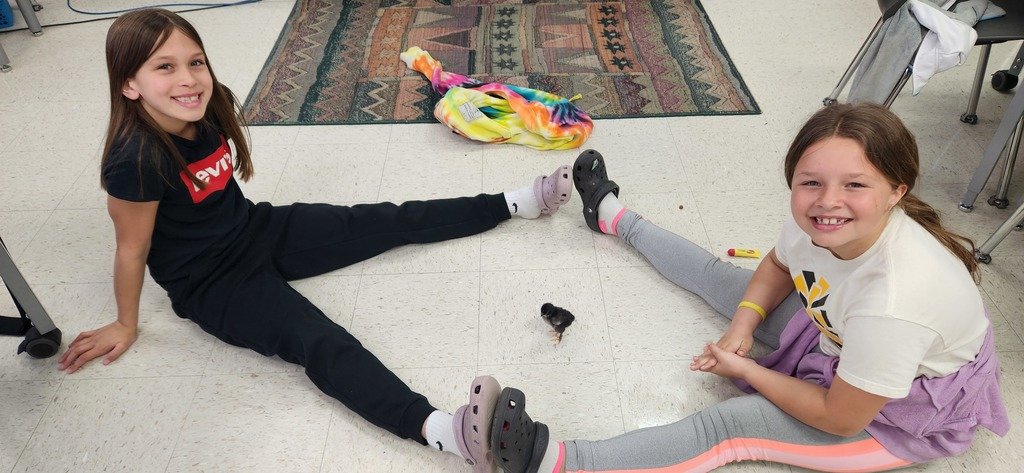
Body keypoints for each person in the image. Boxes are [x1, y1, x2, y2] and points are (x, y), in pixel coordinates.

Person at [55, 9, 573, 472]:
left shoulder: (203, 110)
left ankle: (515, 201)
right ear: (129, 85)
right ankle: (444, 433)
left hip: (255, 229)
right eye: (164, 67)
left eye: (196, 62)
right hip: (210, 283)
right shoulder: (133, 161)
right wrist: (126, 323)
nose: (189, 80)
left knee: (382, 221)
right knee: (316, 338)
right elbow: (131, 249)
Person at [482, 103, 1010, 473]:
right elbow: (780, 267)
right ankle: (610, 216)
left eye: (855, 185)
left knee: (726, 429)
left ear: (898, 191)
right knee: (723, 281)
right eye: (811, 182)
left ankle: (552, 462)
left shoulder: (895, 302)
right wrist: (744, 322)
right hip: (842, 340)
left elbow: (840, 415)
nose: (828, 201)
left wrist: (747, 368)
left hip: (894, 415)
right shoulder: (820, 224)